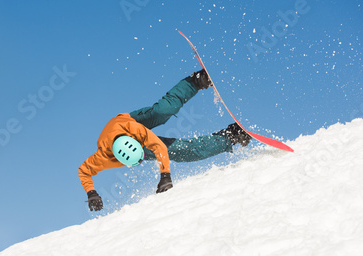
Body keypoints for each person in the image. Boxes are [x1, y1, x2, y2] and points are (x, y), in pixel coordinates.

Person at [79, 70, 251, 211]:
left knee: (162, 112)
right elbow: (84, 171)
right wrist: (91, 192)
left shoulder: (136, 131)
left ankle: (195, 82)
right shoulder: (102, 158)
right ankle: (230, 136)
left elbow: (158, 145)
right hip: (123, 139)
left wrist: (165, 175)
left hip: (129, 121)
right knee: (180, 150)